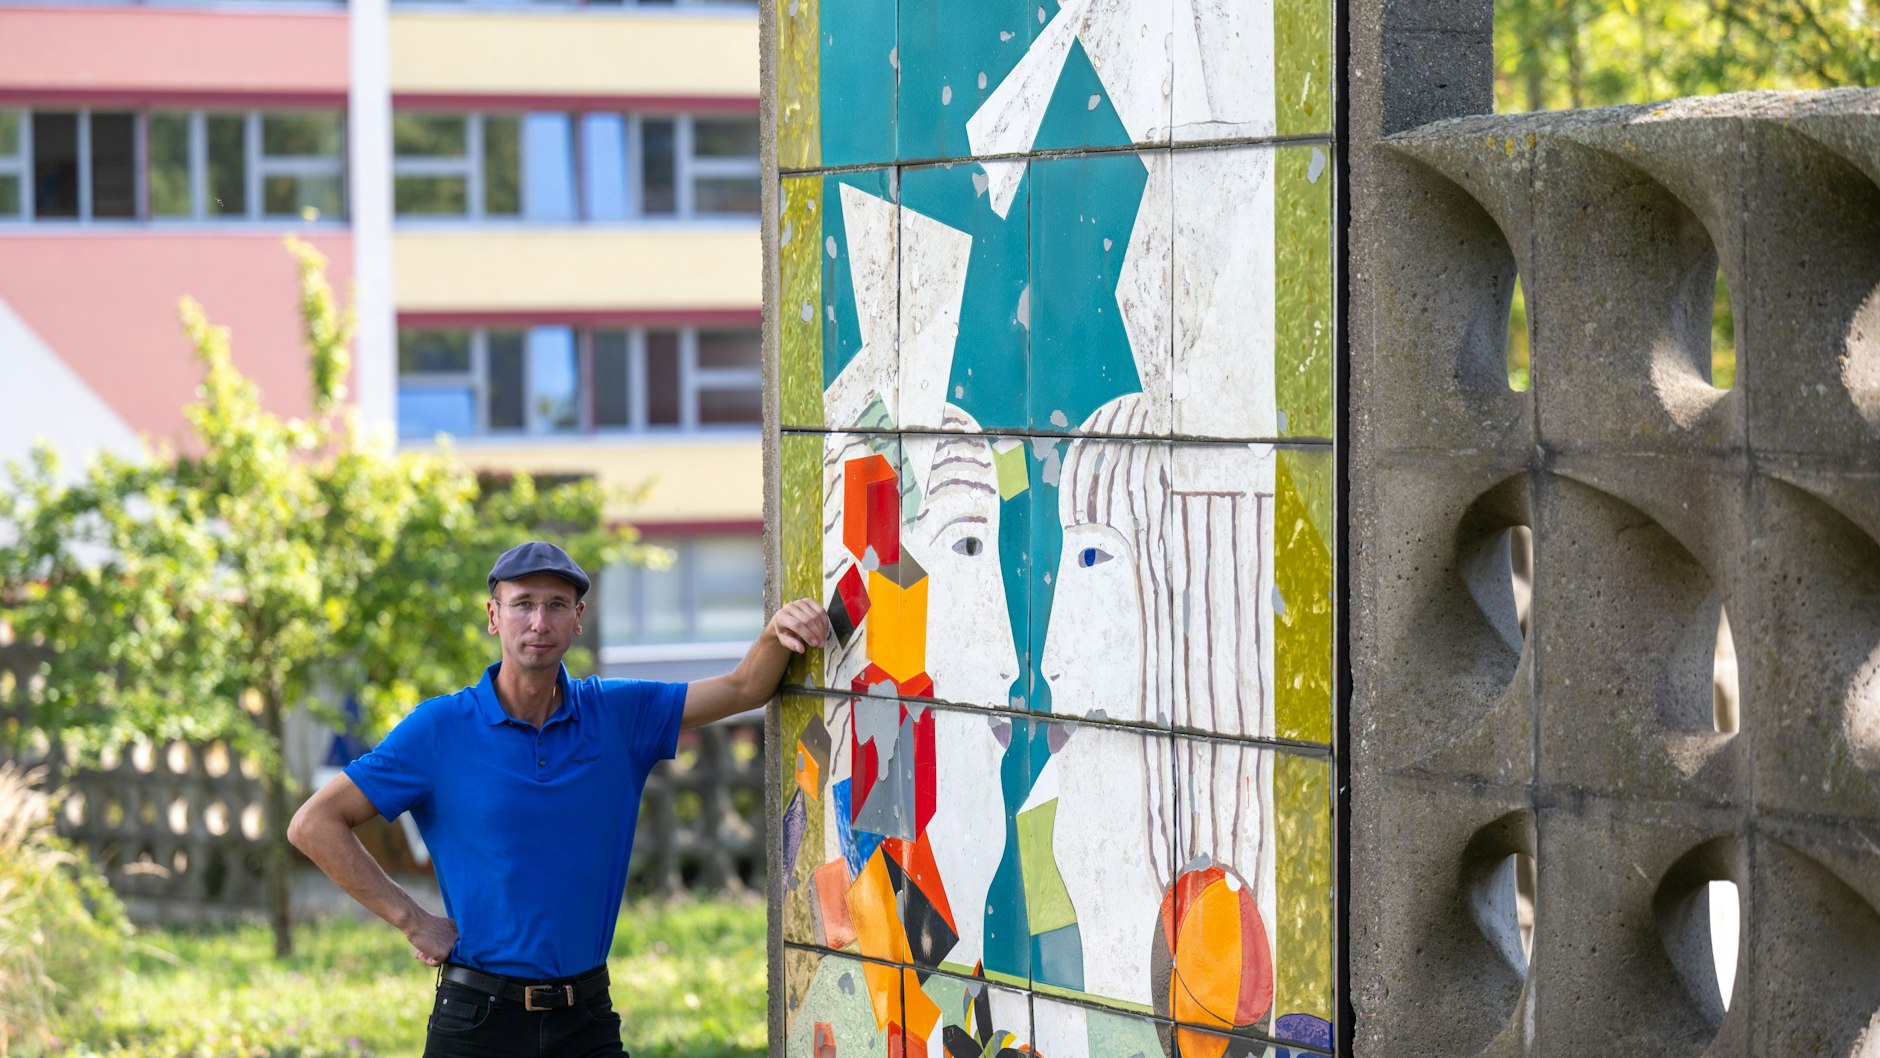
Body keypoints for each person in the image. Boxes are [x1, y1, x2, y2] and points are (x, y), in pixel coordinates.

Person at [288, 540, 829, 1058]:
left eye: (556, 605)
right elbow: (314, 824)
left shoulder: (619, 715)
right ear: (493, 615)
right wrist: (411, 918)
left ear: (579, 619)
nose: (539, 622)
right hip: (478, 1019)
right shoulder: (439, 728)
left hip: (586, 1017)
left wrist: (777, 633)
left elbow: (742, 689)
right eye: (522, 604)